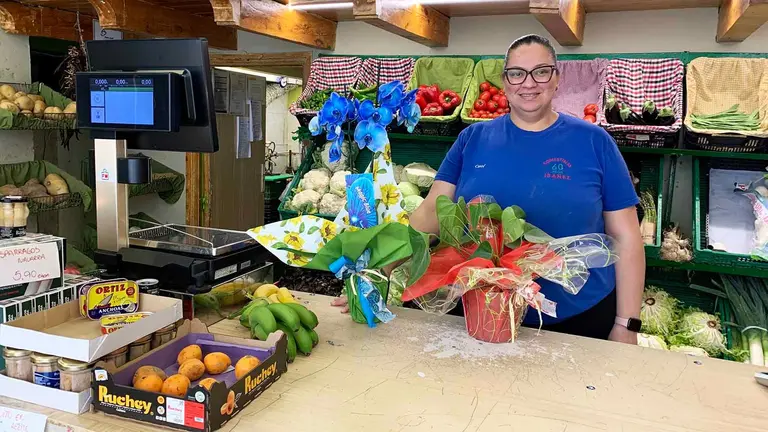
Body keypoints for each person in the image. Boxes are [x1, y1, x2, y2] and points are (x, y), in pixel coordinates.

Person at [407, 34, 645, 344]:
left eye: (541, 71)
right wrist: (381, 268)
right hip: (482, 310)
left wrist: (626, 324)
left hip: (578, 317)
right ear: (505, 82)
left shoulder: (595, 141)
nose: (528, 83)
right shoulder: (472, 138)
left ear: (556, 78)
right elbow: (430, 213)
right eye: (517, 73)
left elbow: (626, 236)